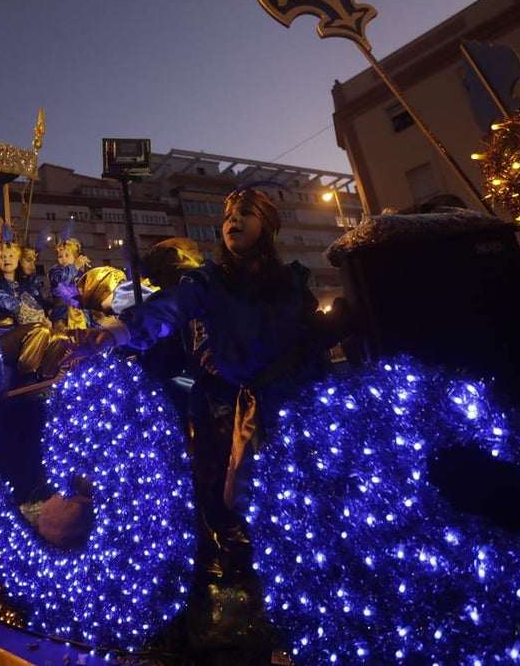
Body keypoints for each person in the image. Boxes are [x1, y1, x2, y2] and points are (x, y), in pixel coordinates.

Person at [68, 188, 348, 581]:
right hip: (222, 407)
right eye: (228, 214)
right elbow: (171, 307)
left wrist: (340, 323)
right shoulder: (209, 281)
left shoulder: (290, 282)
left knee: (295, 497)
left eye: (245, 213)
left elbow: (308, 332)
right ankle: (239, 571)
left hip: (285, 404)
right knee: (220, 491)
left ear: (266, 224)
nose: (233, 220)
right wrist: (117, 333)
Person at [0, 238, 67, 383]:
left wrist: (45, 319)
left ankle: (46, 376)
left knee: (60, 337)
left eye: (11, 256)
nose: (6, 259)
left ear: (18, 258)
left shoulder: (25, 285)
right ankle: (26, 376)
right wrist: (18, 307)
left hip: (26, 332)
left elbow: (36, 307)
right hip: (0, 334)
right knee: (40, 331)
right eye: (2, 256)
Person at [48, 236, 90, 330]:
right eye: (60, 256)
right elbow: (62, 279)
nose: (63, 259)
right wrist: (75, 267)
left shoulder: (81, 274)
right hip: (62, 314)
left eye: (67, 255)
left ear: (75, 257)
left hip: (81, 314)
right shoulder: (55, 272)